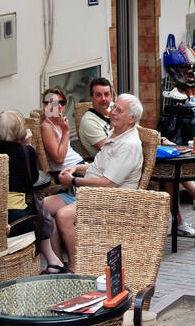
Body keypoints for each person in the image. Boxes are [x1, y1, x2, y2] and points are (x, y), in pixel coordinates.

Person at [47, 94, 146, 262]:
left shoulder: (129, 145)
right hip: (88, 192)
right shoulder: (115, 132)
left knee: (63, 216)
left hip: (109, 199)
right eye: (114, 107)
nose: (112, 112)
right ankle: (56, 263)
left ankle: (74, 266)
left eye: (119, 111)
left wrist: (73, 180)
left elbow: (108, 183)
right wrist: (76, 168)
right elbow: (98, 167)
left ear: (131, 119)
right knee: (43, 208)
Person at [0, 109, 65, 273]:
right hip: (17, 220)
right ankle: (53, 260)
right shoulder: (26, 152)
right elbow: (32, 180)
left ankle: (53, 260)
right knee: (40, 212)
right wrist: (29, 146)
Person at [39, 87, 82, 171]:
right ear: (45, 106)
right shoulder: (47, 127)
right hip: (68, 171)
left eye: (62, 103)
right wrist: (66, 132)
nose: (59, 106)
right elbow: (59, 159)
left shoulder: (60, 122)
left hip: (78, 164)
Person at [77, 77, 114, 159]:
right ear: (91, 97)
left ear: (111, 96)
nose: (103, 98)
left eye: (106, 94)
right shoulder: (89, 121)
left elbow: (134, 125)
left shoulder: (113, 107)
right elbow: (109, 151)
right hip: (108, 164)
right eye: (98, 95)